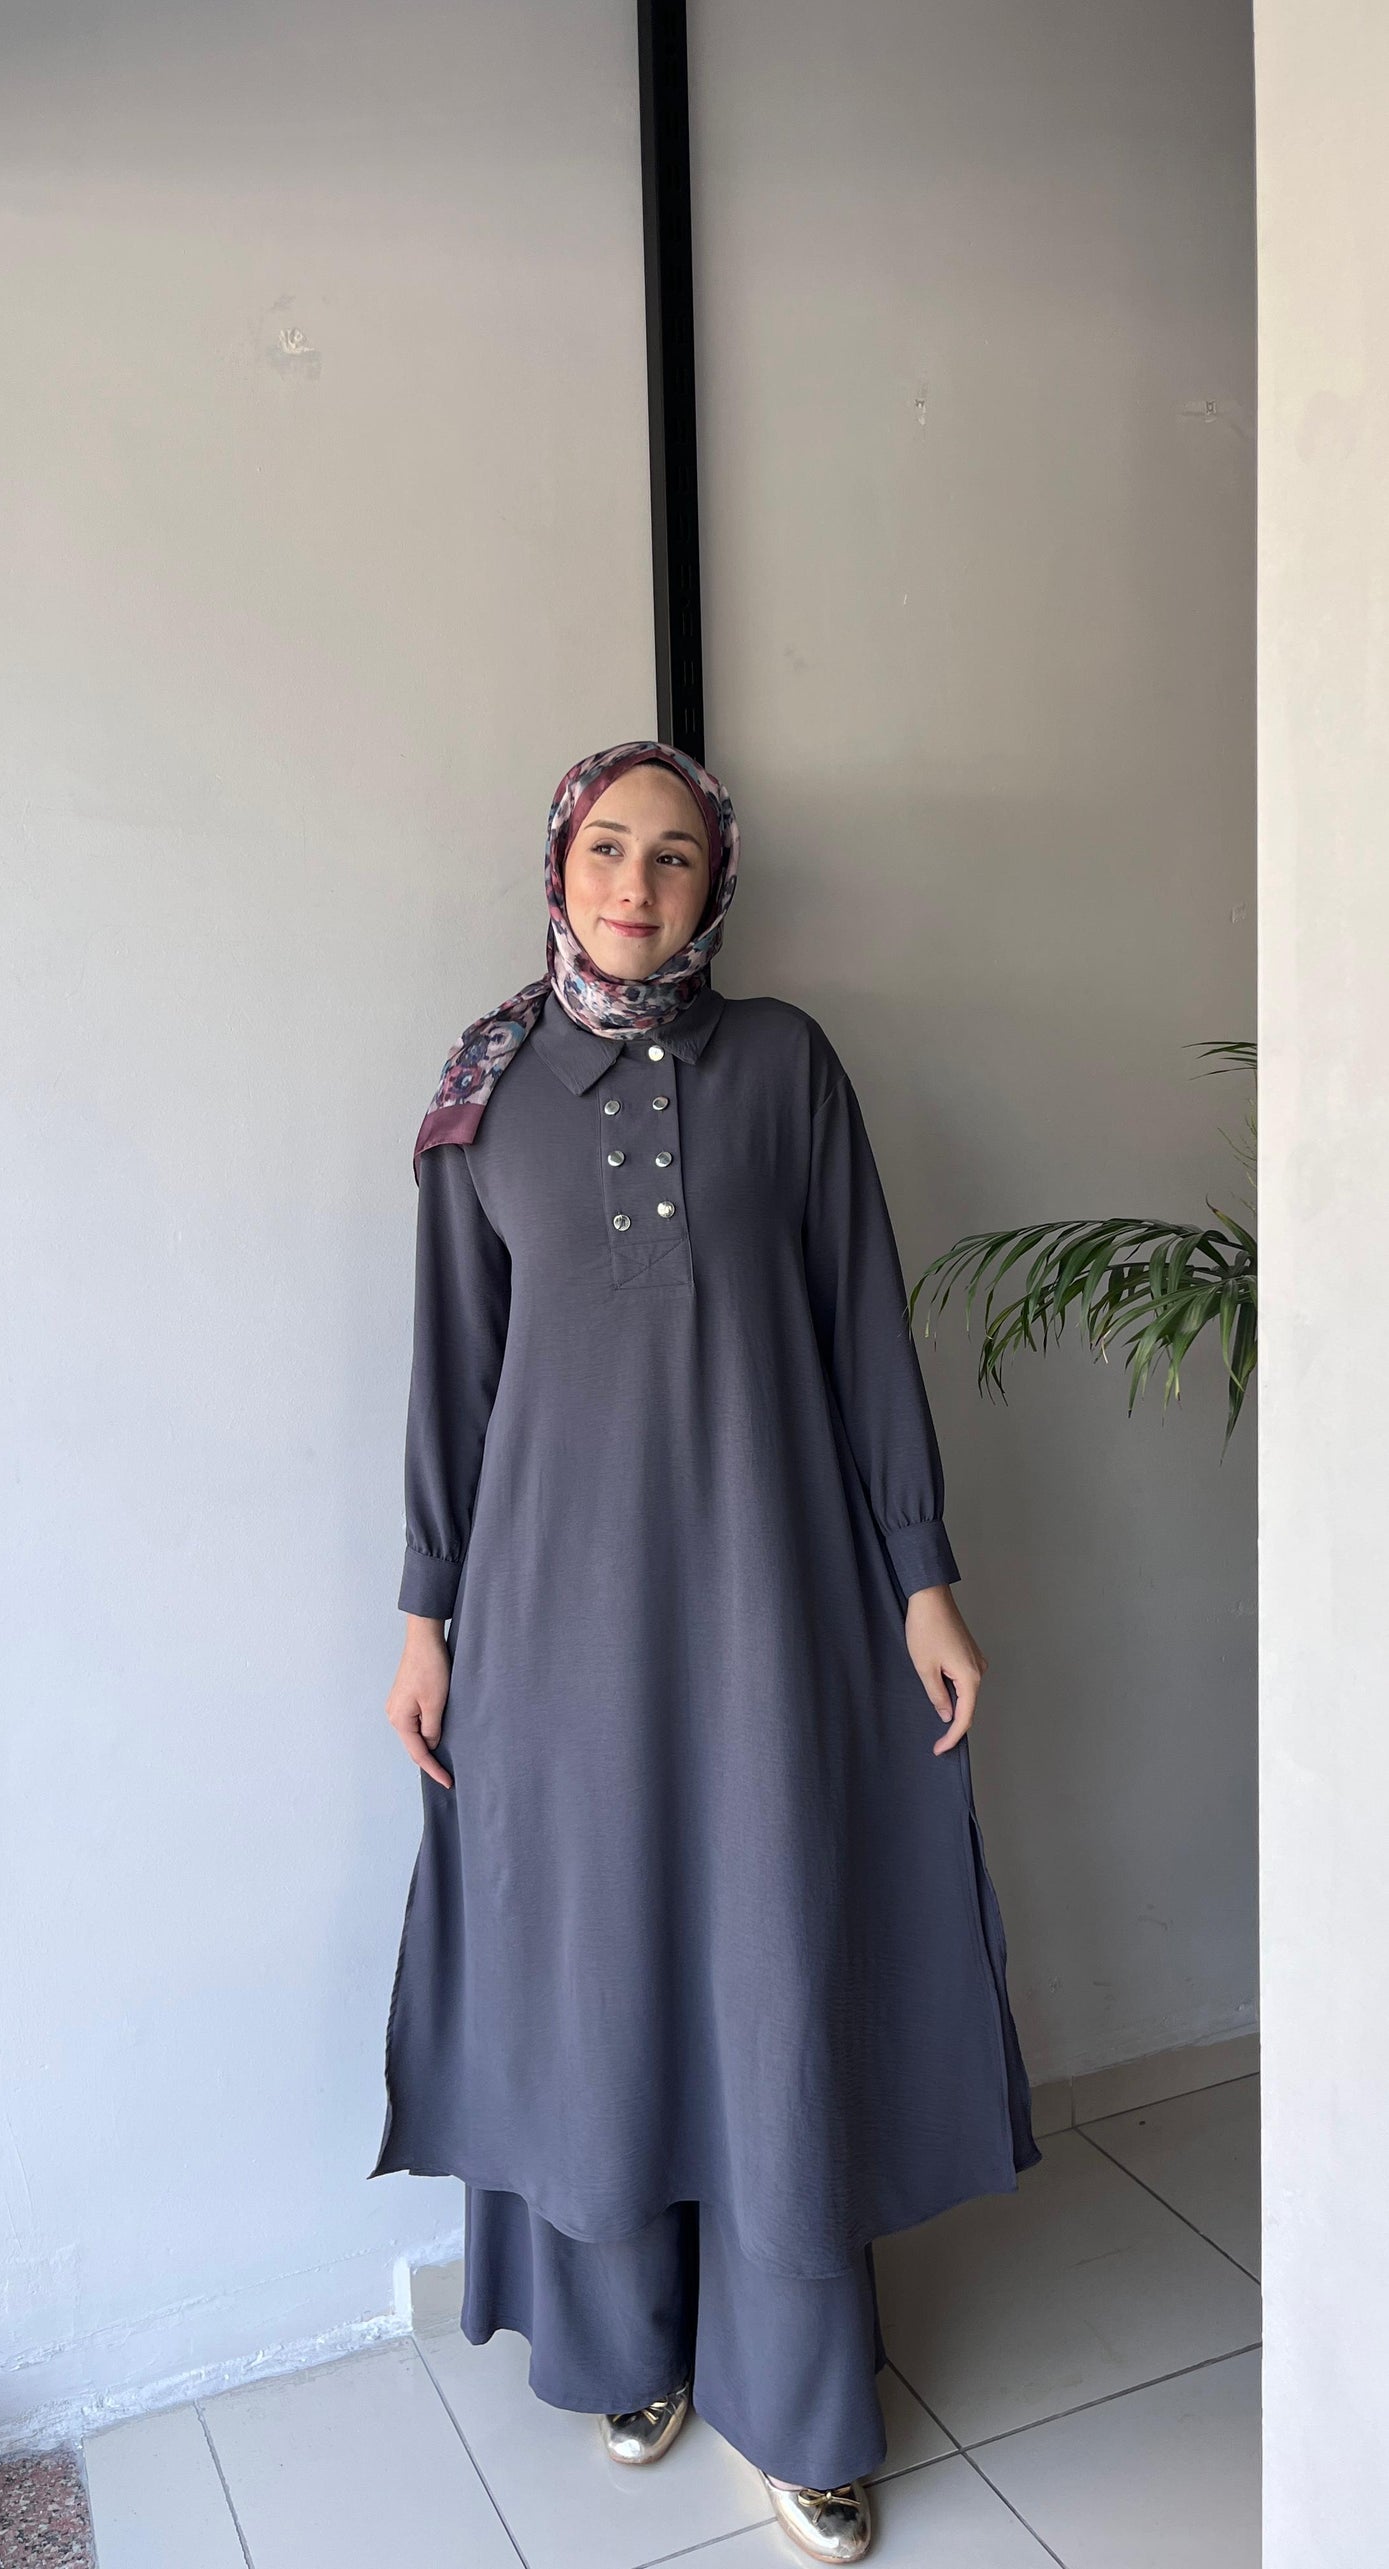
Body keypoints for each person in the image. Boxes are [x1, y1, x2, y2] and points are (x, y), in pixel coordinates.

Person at [370, 740, 1040, 2564]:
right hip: (549, 1623)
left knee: (767, 1964)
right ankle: (623, 2345)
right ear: (558, 863)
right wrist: (424, 1614)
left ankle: (802, 2398)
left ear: (714, 885)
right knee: (593, 1965)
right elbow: (451, 1375)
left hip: (768, 1602)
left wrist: (919, 1574)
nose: (635, 883)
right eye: (608, 846)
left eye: (673, 855)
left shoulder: (788, 1068)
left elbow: (860, 1328)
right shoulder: (482, 1088)